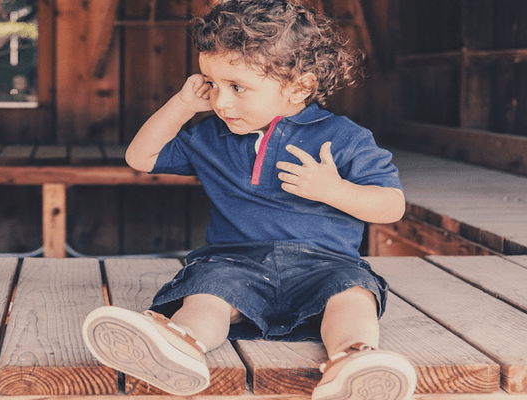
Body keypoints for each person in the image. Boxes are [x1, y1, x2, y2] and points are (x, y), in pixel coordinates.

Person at [81, 1, 417, 399]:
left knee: (353, 295)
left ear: (300, 87)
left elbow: (391, 205)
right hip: (234, 262)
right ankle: (181, 346)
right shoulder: (210, 136)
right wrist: (183, 105)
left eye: (237, 87)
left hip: (324, 267)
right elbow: (140, 157)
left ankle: (353, 361)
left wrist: (335, 190)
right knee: (208, 293)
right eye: (212, 83)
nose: (221, 102)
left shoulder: (345, 137)